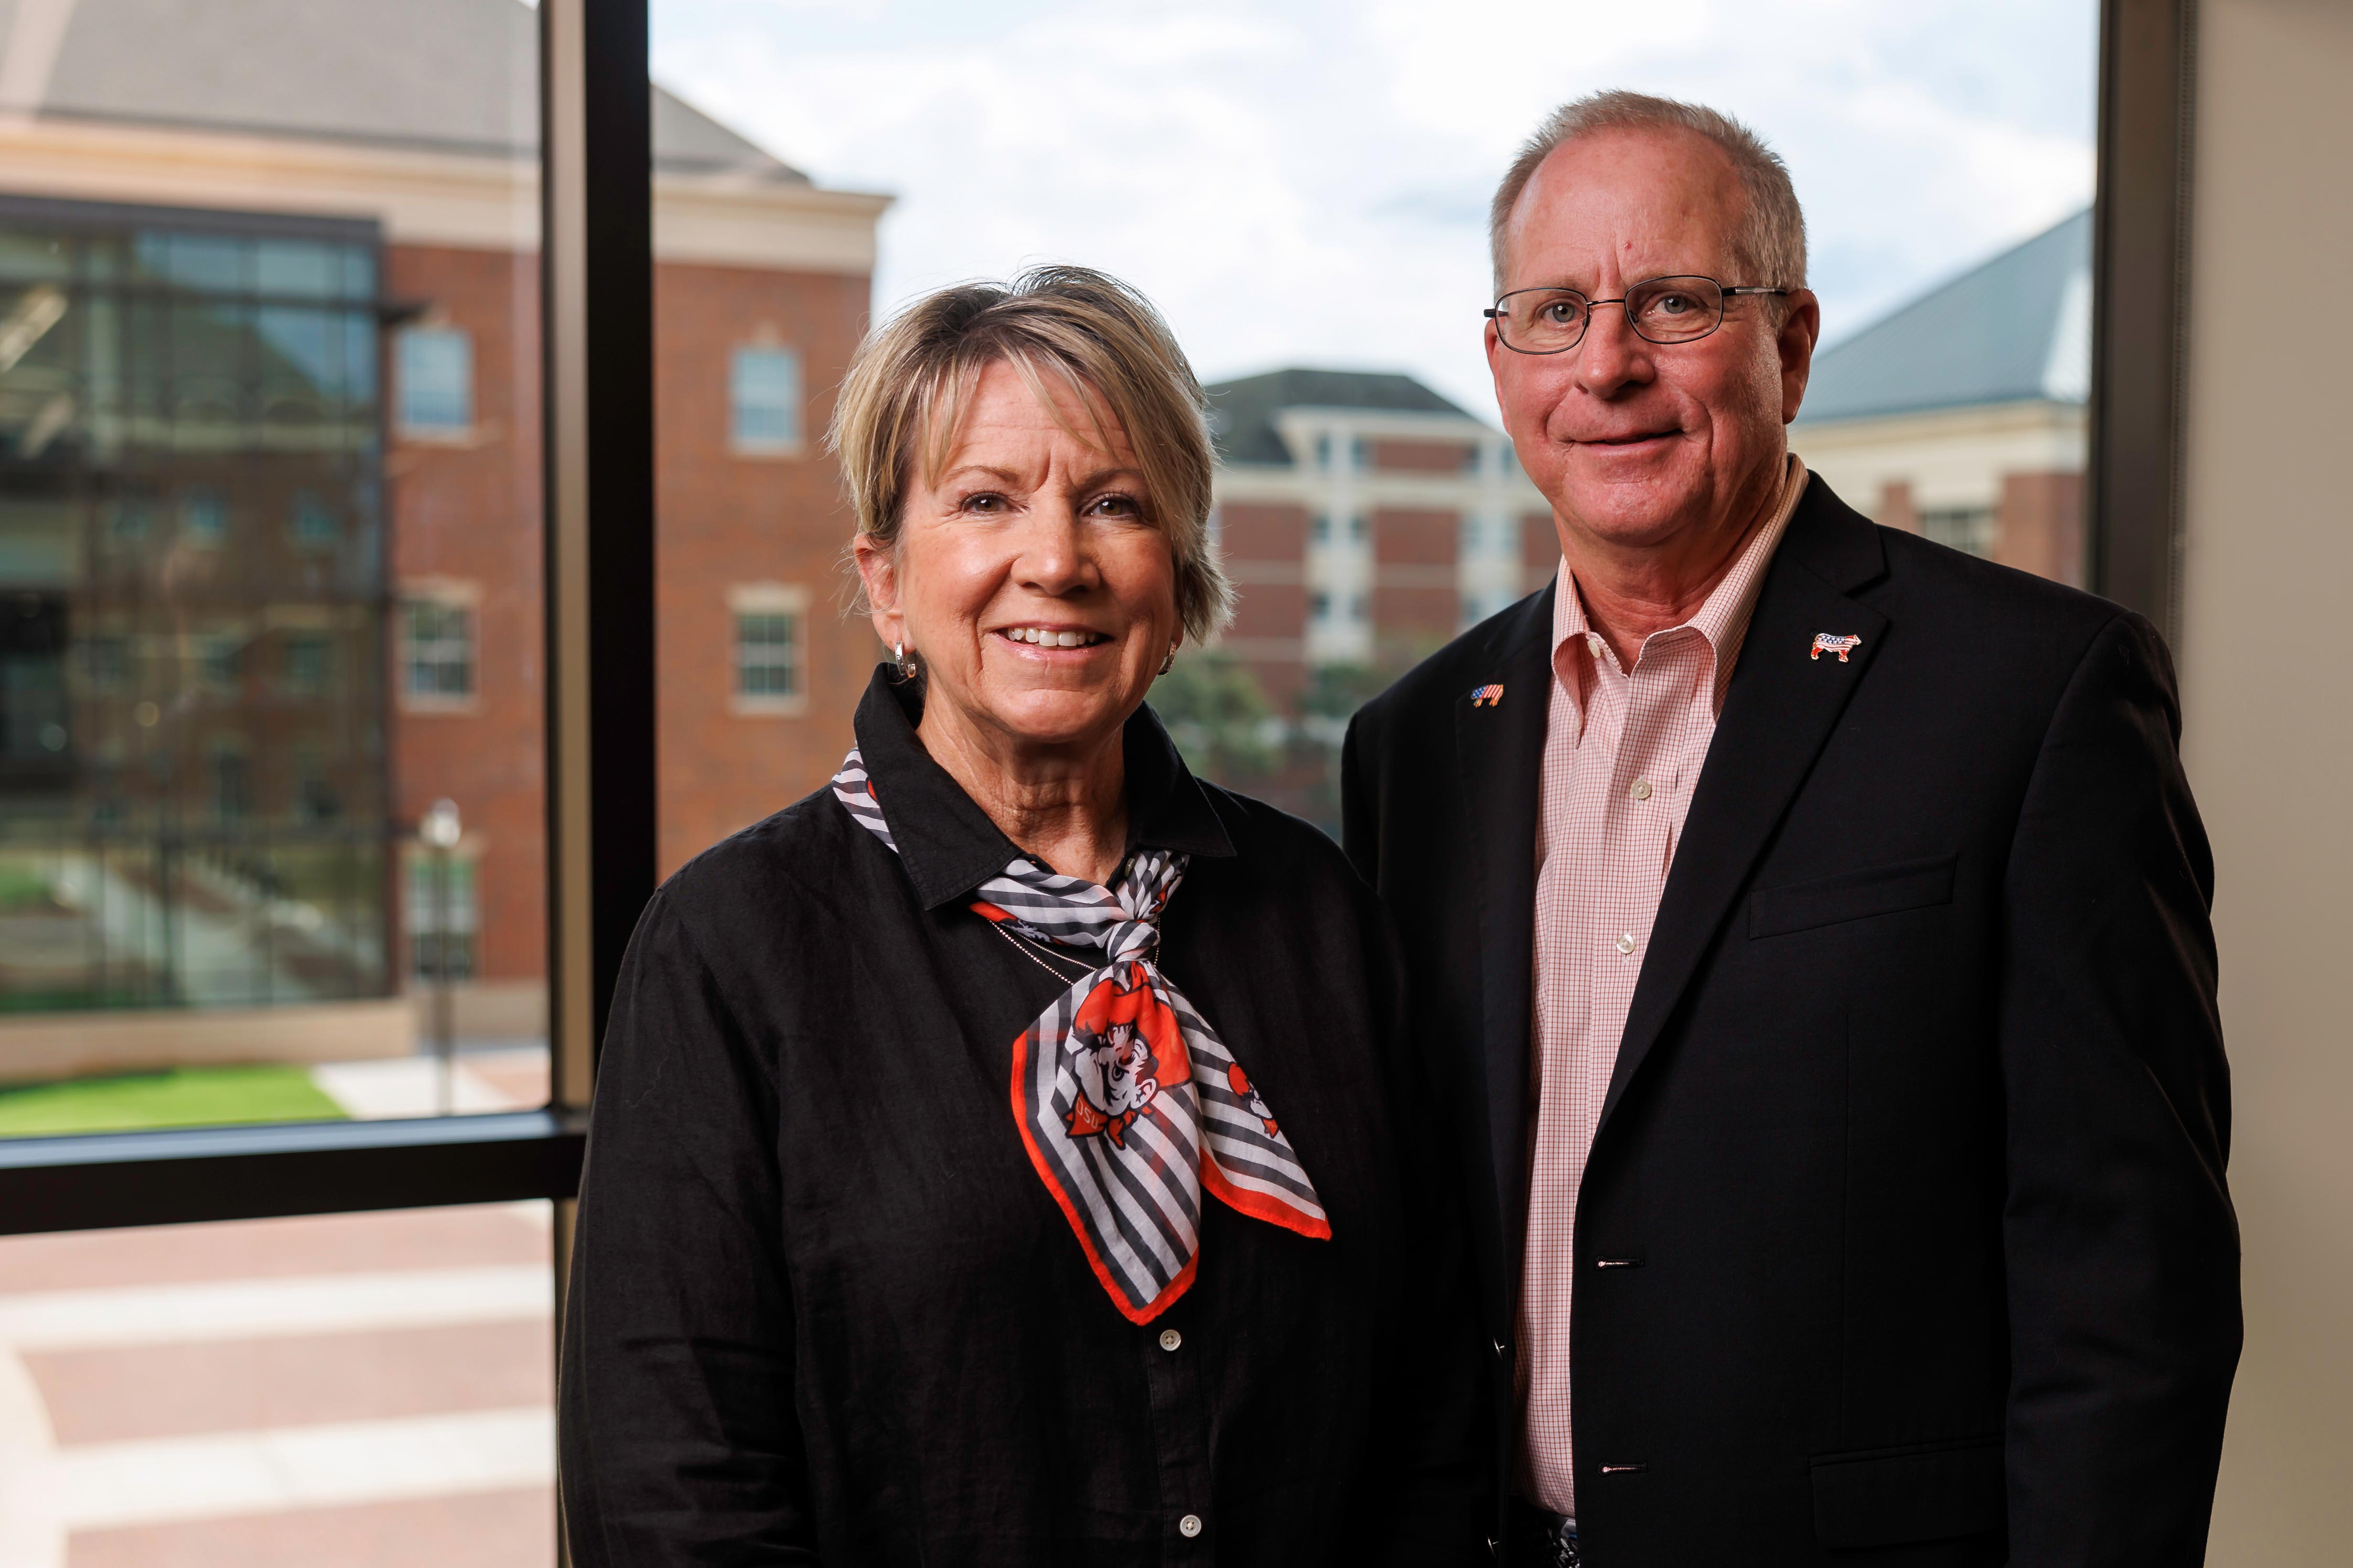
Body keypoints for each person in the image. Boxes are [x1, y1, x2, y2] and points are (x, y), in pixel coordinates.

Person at [1341, 91, 2240, 1567]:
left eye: (1675, 302)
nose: (1608, 365)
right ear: (1503, 366)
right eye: (1556, 313)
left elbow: (2129, 1279)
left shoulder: (2032, 694)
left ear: (1793, 345)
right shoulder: (1418, 742)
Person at [559, 265, 1488, 1565]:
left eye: (1115, 504)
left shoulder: (1319, 912)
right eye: (986, 500)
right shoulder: (732, 950)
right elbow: (673, 1487)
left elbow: (1433, 1397)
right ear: (888, 580)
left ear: (1178, 580)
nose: (1056, 560)